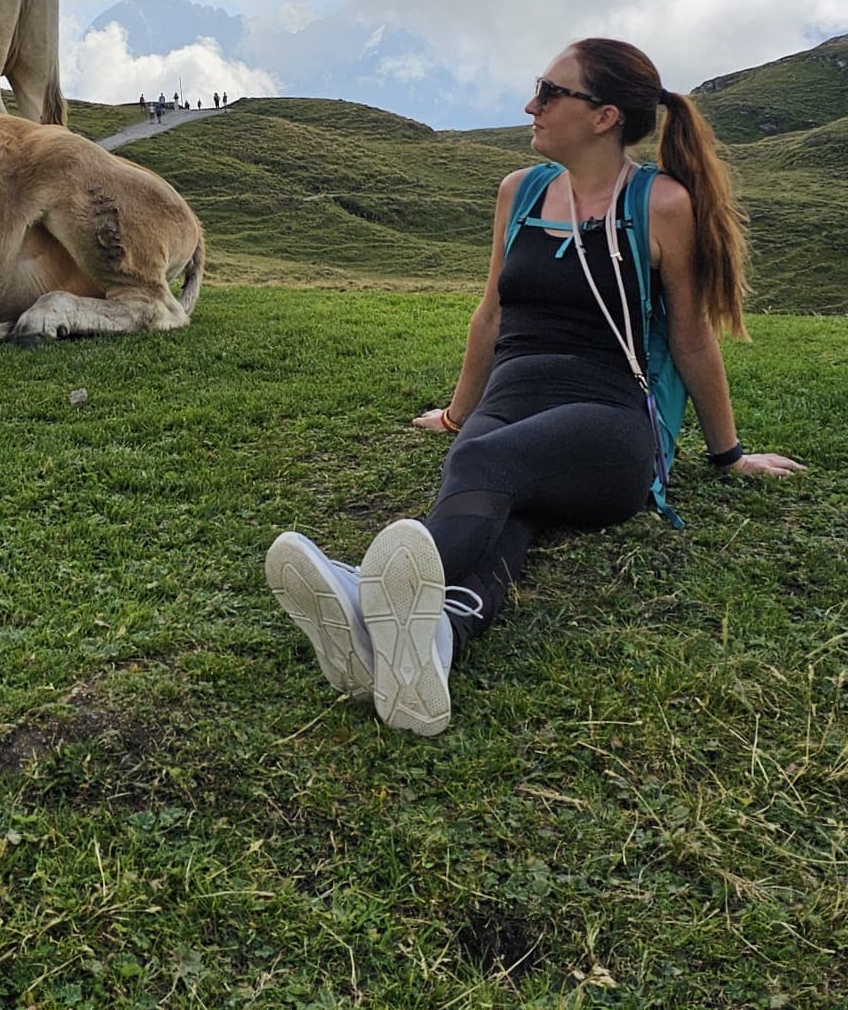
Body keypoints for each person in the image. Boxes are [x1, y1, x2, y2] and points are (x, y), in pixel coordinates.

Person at [265, 37, 804, 738]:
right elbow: (492, 311)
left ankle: (363, 602)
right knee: (497, 499)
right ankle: (434, 644)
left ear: (605, 115)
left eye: (552, 92)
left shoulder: (661, 203)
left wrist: (728, 454)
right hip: (513, 403)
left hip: (609, 423)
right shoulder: (518, 194)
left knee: (489, 465)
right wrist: (459, 412)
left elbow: (692, 338)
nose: (532, 105)